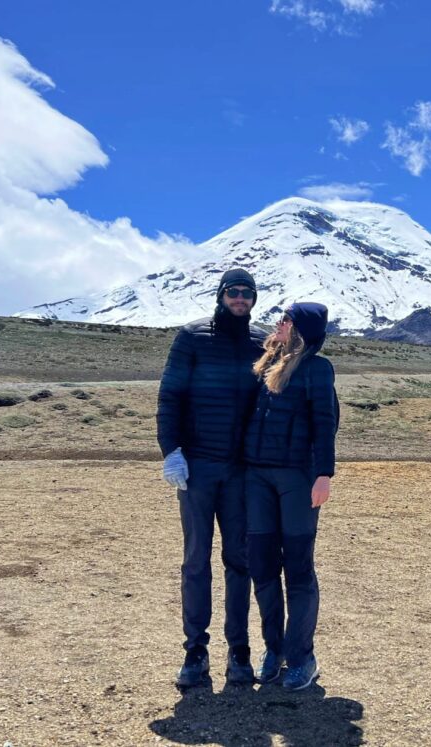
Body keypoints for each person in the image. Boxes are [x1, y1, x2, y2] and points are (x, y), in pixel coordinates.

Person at [156, 268, 267, 688]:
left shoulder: (260, 341)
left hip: (241, 471)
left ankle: (239, 651)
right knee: (196, 561)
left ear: (254, 299)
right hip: (198, 468)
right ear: (221, 295)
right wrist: (172, 452)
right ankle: (194, 652)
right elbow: (170, 395)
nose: (240, 298)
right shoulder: (191, 336)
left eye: (247, 293)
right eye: (234, 292)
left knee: (239, 561)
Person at [244, 302, 339, 691]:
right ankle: (274, 649)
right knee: (263, 567)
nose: (279, 323)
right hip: (257, 478)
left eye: (288, 320)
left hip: (298, 480)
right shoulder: (266, 363)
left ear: (302, 330)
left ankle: (303, 657)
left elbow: (325, 423)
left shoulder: (317, 368)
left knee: (298, 569)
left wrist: (323, 475)